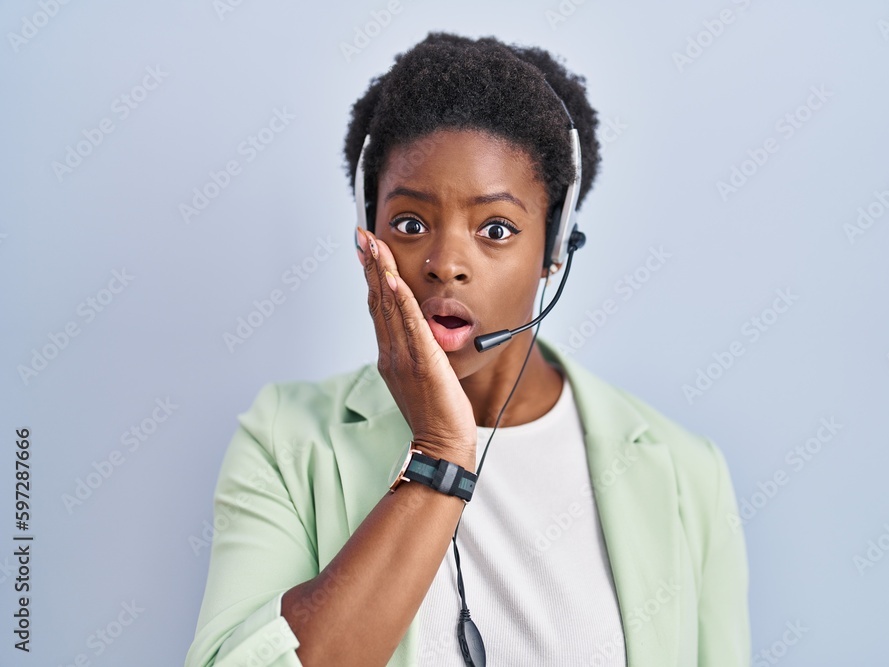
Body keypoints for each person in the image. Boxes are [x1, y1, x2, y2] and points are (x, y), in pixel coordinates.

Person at [185, 32, 750, 667]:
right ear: (367, 234)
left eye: (497, 228)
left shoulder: (686, 473)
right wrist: (438, 454)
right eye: (409, 224)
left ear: (554, 246)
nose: (445, 264)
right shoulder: (285, 437)